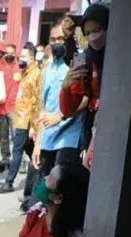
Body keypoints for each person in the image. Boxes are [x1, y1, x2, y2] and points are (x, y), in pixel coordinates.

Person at [32, 19, 86, 178]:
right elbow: (43, 108)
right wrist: (38, 144)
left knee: (61, 187)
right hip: (48, 139)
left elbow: (85, 98)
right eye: (53, 39)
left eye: (61, 39)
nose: (57, 43)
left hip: (68, 139)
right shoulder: (48, 69)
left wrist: (60, 116)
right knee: (44, 192)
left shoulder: (77, 63)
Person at [60, 4, 110, 170]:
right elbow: (69, 109)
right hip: (91, 131)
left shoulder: (122, 55)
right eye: (87, 33)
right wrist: (66, 87)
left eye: (97, 29)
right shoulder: (86, 59)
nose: (93, 37)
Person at [0, 44, 42, 194]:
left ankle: (9, 181)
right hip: (20, 117)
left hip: (26, 121)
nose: (20, 59)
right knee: (30, 150)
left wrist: (33, 126)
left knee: (17, 150)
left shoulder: (36, 74)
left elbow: (36, 102)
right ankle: (41, 172)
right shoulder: (26, 73)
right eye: (20, 56)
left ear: (31, 58)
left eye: (23, 57)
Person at [0, 41, 19, 182]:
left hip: (14, 108)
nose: (8, 55)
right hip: (1, 108)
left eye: (11, 53)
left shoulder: (20, 68)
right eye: (6, 53)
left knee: (16, 138)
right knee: (1, 138)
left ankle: (15, 164)